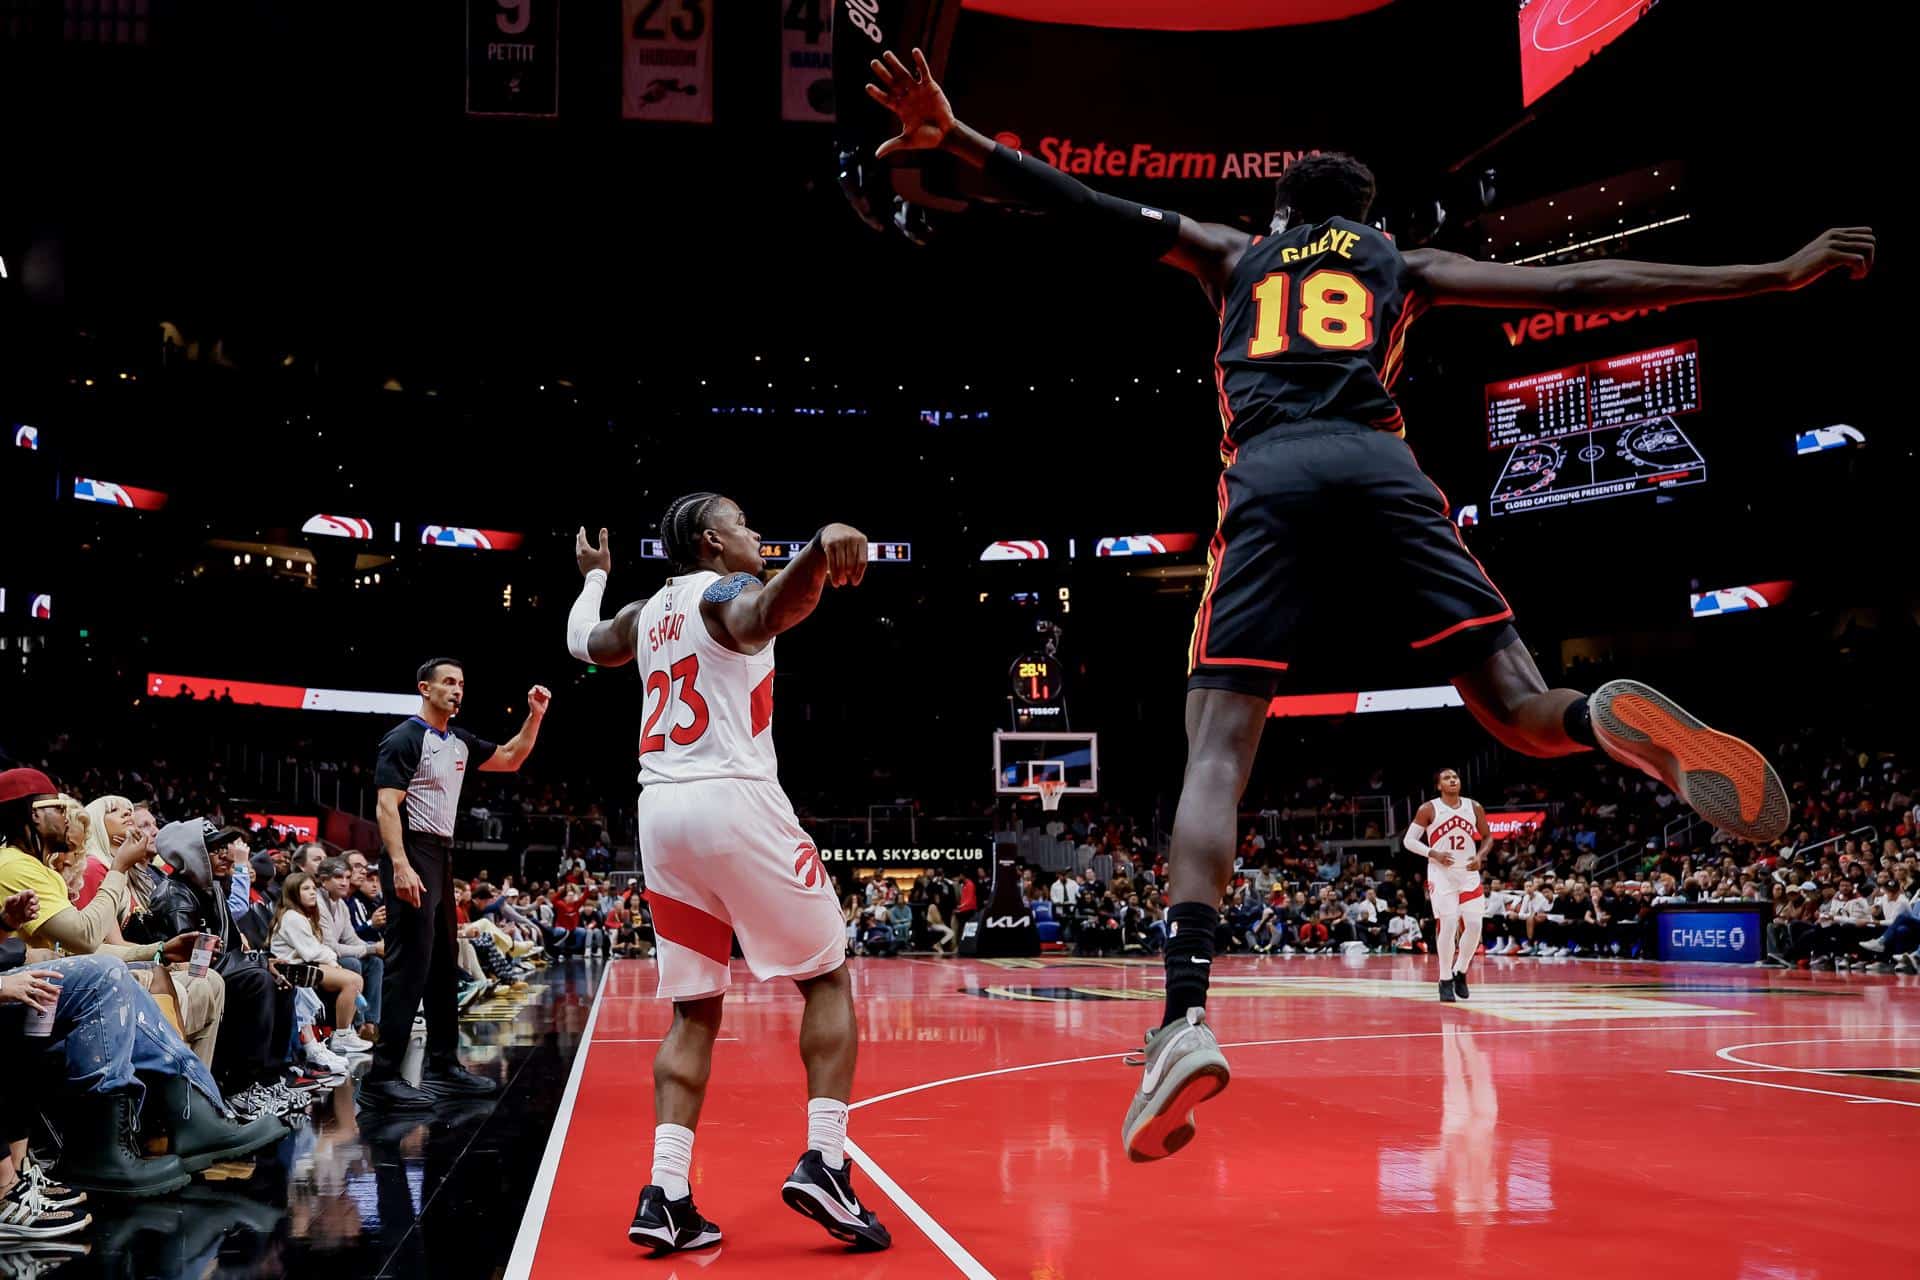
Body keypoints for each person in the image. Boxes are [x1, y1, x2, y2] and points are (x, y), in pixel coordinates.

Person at [865, 49, 1873, 1161]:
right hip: (1384, 464)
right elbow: (1581, 286)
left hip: (1273, 468)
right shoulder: (1408, 262)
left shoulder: (1235, 251)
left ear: (1285, 210)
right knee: (1515, 706)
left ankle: (1184, 1016)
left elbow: (1085, 205)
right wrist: (1774, 273)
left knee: (1215, 750)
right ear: (1365, 217)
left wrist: (958, 141)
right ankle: (1596, 721)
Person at [566, 503, 890, 1254]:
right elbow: (766, 611)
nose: (756, 533)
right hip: (731, 798)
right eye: (743, 523)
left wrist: (592, 581)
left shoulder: (645, 612)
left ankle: (667, 1193)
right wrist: (816, 552)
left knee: (694, 1009)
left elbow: (583, 643)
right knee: (828, 977)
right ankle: (827, 1163)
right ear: (711, 541)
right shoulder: (718, 594)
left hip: (661, 815)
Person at [365, 658, 549, 1110]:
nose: (457, 690)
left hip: (441, 854)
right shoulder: (405, 737)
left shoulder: (459, 741)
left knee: (444, 962)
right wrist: (401, 864)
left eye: (462, 684)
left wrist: (535, 716)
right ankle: (381, 1078)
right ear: (424, 688)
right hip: (412, 851)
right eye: (448, 682)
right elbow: (387, 807)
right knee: (409, 963)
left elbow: (510, 758)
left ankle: (443, 1066)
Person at [1405, 769, 1491, 1002]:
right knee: (1449, 923)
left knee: (1474, 926)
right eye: (1447, 778)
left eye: (1455, 777)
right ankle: (1444, 979)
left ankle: (1460, 970)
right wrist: (1433, 853)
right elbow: (1408, 841)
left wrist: (1480, 856)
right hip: (1441, 873)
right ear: (1439, 785)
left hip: (1468, 872)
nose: (1453, 780)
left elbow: (1487, 837)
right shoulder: (1428, 809)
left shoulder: (1474, 807)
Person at [268, 872, 371, 1056]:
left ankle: (345, 1032)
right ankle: (342, 1035)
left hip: (306, 964)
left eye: (314, 889)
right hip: (294, 968)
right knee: (353, 981)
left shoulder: (302, 916)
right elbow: (311, 951)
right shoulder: (292, 917)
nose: (312, 893)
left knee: (354, 977)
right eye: (306, 889)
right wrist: (333, 961)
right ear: (293, 893)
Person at [316, 856, 383, 1041]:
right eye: (339, 878)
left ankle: (371, 1023)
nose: (345, 882)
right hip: (318, 958)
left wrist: (374, 948)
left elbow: (352, 939)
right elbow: (331, 947)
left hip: (332, 957)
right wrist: (372, 948)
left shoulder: (341, 905)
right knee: (352, 963)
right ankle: (354, 1026)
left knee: (375, 962)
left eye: (347, 877)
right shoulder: (318, 903)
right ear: (323, 880)